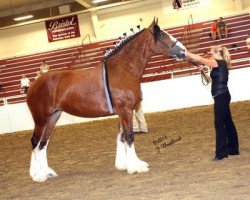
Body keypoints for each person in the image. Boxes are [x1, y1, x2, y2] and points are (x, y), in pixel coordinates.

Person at [185, 45, 239, 160]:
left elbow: (200, 59)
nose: (210, 53)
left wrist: (186, 53)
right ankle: (233, 148)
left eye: (211, 52)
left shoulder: (218, 62)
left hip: (221, 96)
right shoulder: (218, 64)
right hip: (222, 95)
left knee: (219, 124)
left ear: (217, 53)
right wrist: (203, 72)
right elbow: (209, 80)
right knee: (228, 122)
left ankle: (221, 153)